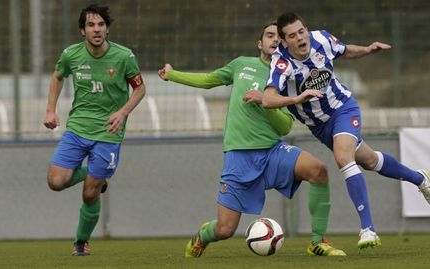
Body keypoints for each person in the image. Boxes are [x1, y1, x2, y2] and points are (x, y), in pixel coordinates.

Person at [158, 22, 346, 257]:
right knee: (225, 229)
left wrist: (265, 102)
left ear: (286, 43)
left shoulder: (289, 76)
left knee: (318, 170)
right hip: (239, 157)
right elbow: (207, 80)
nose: (275, 40)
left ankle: (318, 242)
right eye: (269, 36)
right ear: (260, 43)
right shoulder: (241, 65)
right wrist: (172, 74)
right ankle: (203, 236)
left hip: (272, 152)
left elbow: (285, 127)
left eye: (279, 37)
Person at [262, 12, 430, 249]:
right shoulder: (282, 63)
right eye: (292, 36)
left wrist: (367, 50)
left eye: (302, 31)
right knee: (369, 161)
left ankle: (368, 229)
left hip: (343, 109)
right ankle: (420, 178)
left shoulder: (322, 39)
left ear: (307, 30)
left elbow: (345, 50)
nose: (300, 38)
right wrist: (298, 97)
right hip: (320, 126)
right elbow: (268, 99)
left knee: (343, 157)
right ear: (284, 42)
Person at [43, 4, 146, 256]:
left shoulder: (124, 57)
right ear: (82, 30)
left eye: (101, 25)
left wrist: (122, 113)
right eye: (91, 25)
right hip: (78, 127)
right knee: (55, 181)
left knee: (90, 194)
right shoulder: (71, 55)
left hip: (108, 133)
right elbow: (57, 76)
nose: (97, 29)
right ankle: (96, 174)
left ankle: (81, 241)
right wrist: (50, 110)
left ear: (107, 29)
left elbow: (140, 89)